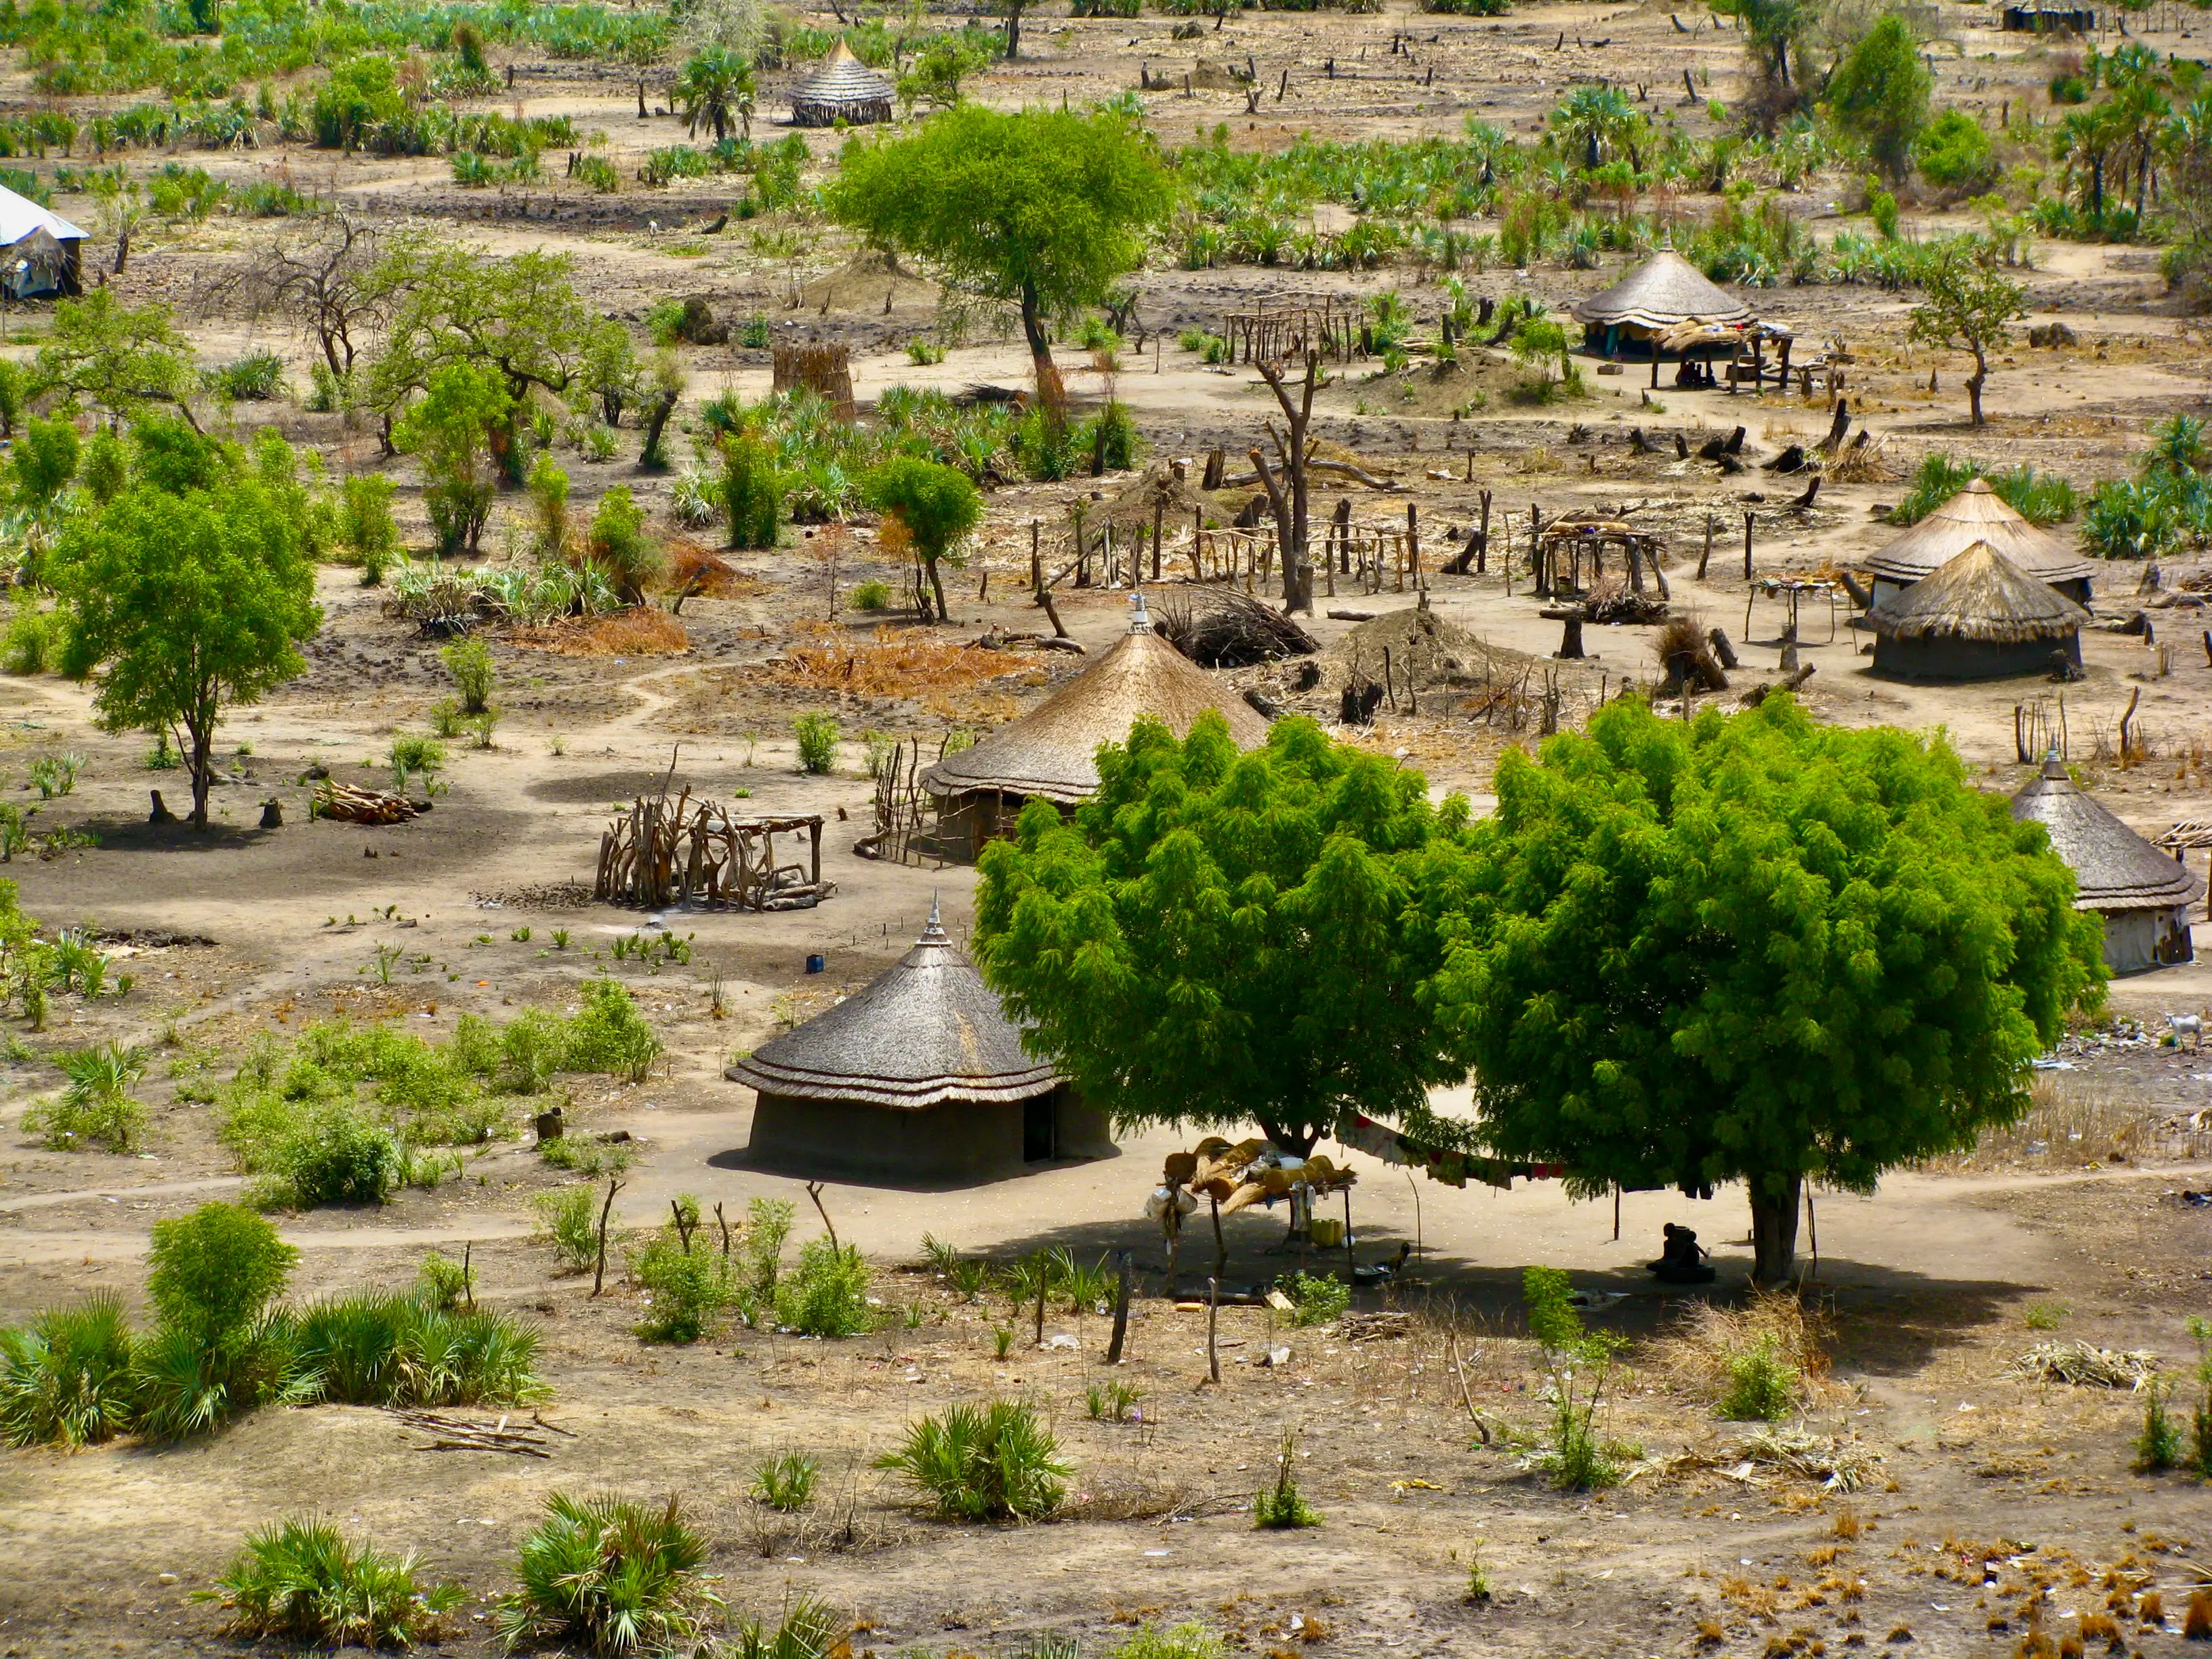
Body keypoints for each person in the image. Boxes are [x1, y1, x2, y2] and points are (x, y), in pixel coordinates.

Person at [1648, 1221, 1715, 1284]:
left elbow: (1668, 1256)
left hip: (1676, 1261)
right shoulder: (1683, 1243)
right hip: (1679, 1261)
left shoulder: (1675, 1243)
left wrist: (1663, 1262)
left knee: (1656, 1266)